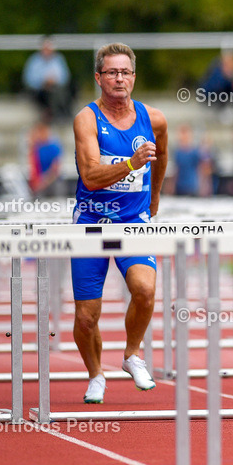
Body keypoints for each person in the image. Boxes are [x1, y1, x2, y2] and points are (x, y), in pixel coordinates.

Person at [71, 43, 167, 403]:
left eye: (125, 72)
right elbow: (91, 176)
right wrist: (130, 164)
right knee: (86, 317)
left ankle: (131, 354)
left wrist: (155, 196)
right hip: (91, 222)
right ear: (99, 78)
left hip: (133, 221)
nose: (119, 78)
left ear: (134, 77)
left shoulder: (154, 119)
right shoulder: (86, 118)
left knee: (144, 290)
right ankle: (95, 374)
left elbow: (161, 155)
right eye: (112, 72)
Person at [22, 36, 71, 122]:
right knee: (51, 94)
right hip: (40, 90)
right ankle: (56, 115)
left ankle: (57, 115)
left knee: (60, 92)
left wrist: (53, 81)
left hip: (56, 88)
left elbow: (65, 77)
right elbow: (29, 79)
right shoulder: (34, 60)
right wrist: (43, 82)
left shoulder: (58, 59)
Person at [169, 124, 209, 197]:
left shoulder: (195, 151)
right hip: (180, 186)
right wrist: (172, 186)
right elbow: (176, 169)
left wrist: (203, 186)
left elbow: (201, 169)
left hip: (192, 186)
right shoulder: (177, 152)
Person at [28, 122, 63, 197]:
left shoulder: (54, 147)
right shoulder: (37, 147)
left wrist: (44, 182)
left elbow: (55, 169)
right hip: (40, 182)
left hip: (51, 182)